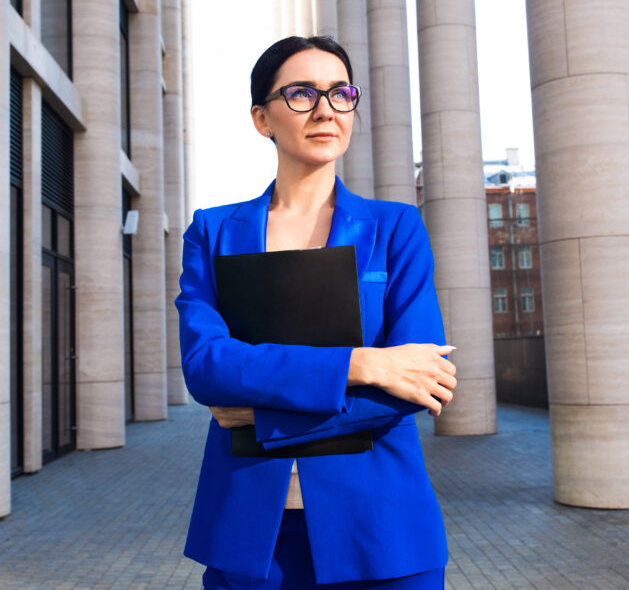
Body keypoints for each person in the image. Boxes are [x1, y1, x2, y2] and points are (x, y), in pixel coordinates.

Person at [176, 35, 457, 589]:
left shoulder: (395, 228)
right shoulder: (213, 232)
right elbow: (206, 367)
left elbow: (424, 382)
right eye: (302, 93)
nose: (326, 109)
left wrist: (260, 415)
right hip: (250, 535)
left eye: (340, 93)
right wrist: (362, 364)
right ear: (262, 118)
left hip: (382, 531)